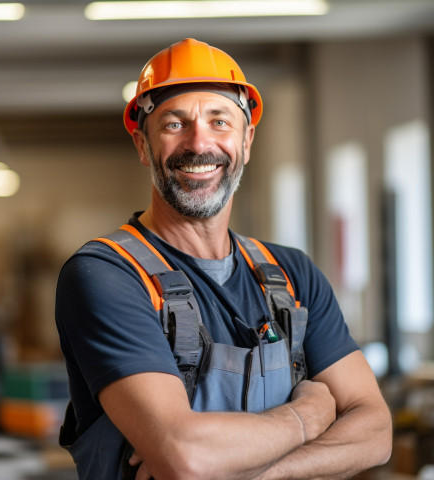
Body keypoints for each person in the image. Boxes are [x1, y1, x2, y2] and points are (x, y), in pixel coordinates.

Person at [55, 38, 392, 480]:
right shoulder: (106, 276)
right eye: (175, 124)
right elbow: (185, 455)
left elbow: (376, 433)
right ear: (142, 145)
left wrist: (252, 471)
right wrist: (307, 416)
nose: (199, 143)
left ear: (247, 140)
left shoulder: (292, 276)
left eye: (219, 122)